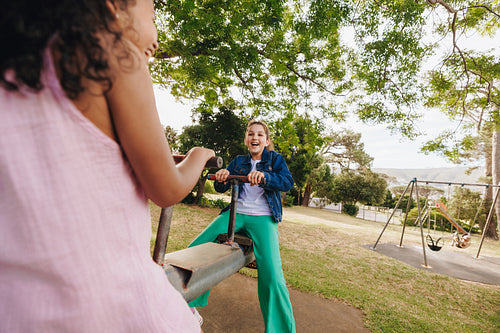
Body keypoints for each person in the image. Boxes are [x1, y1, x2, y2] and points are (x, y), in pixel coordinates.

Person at [0, 1, 213, 332]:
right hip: (109, 306)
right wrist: (199, 154)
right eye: (153, 15)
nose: (156, 39)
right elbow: (167, 189)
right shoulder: (111, 54)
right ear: (113, 7)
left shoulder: (15, 63)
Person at [188, 120, 296, 333]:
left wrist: (265, 176)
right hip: (236, 214)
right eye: (250, 134)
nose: (255, 138)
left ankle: (281, 329)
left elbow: (287, 182)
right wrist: (222, 177)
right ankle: (190, 307)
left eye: (260, 135)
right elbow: (221, 187)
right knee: (195, 248)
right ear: (246, 139)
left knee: (272, 275)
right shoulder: (238, 161)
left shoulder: (275, 160)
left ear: (266, 140)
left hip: (263, 217)